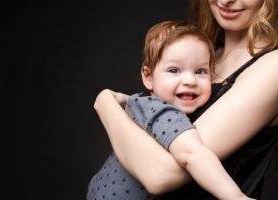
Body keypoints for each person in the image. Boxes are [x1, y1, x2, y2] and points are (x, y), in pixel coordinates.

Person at [94, 0, 278, 199]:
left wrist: (106, 105)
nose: (226, 1)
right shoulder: (202, 54)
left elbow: (160, 176)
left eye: (200, 72)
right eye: (174, 71)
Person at [87, 20, 254, 200]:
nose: (190, 80)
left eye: (200, 71)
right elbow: (192, 154)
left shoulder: (139, 102)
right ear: (148, 77)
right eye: (174, 70)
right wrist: (237, 197)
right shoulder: (163, 112)